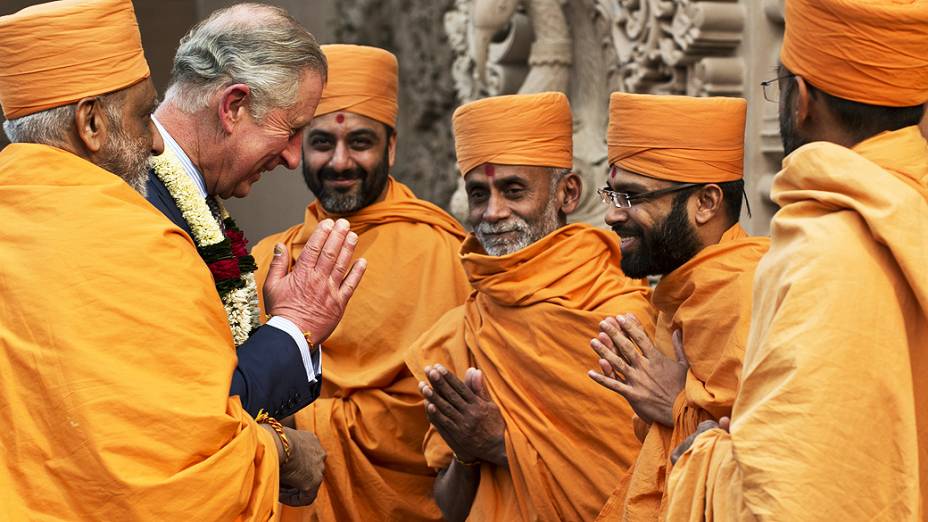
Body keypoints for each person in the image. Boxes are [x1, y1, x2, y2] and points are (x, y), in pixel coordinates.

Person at [0, 0, 343, 516]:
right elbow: (168, 436)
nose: (157, 138)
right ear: (91, 125)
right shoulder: (130, 224)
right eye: (142, 115)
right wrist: (293, 336)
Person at [665, 0, 928, 519]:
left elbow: (793, 500)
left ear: (800, 100)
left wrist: (704, 454)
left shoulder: (826, 251)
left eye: (779, 86)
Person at [405, 92, 656, 522]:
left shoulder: (620, 316)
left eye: (514, 190)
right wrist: (467, 455)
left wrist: (499, 445)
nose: (493, 212)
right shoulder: (462, 329)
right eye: (478, 194)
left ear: (567, 193)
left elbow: (645, 484)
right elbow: (449, 506)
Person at [251, 44, 471, 522]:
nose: (341, 161)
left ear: (391, 147)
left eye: (361, 142)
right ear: (298, 147)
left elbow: (446, 409)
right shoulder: (268, 258)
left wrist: (302, 424)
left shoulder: (446, 253)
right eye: (323, 142)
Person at [145, 3, 364, 419]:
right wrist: (294, 326)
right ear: (233, 107)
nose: (294, 159)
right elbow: (192, 412)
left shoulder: (190, 200)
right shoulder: (142, 207)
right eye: (292, 129)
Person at [587, 93, 769, 521]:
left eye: (631, 197)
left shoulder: (744, 290)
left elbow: (777, 468)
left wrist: (677, 403)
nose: (612, 215)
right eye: (611, 194)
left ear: (705, 203)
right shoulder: (684, 291)